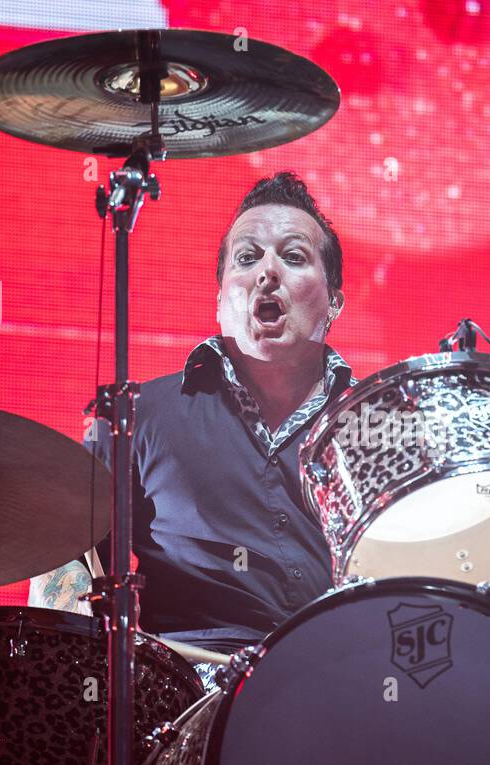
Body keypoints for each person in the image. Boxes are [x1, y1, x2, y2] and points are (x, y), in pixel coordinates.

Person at [29, 171, 353, 689]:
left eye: (293, 257)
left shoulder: (378, 425)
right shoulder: (137, 414)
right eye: (247, 259)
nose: (268, 271)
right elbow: (66, 561)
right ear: (221, 299)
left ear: (334, 302)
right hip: (185, 693)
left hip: (343, 685)